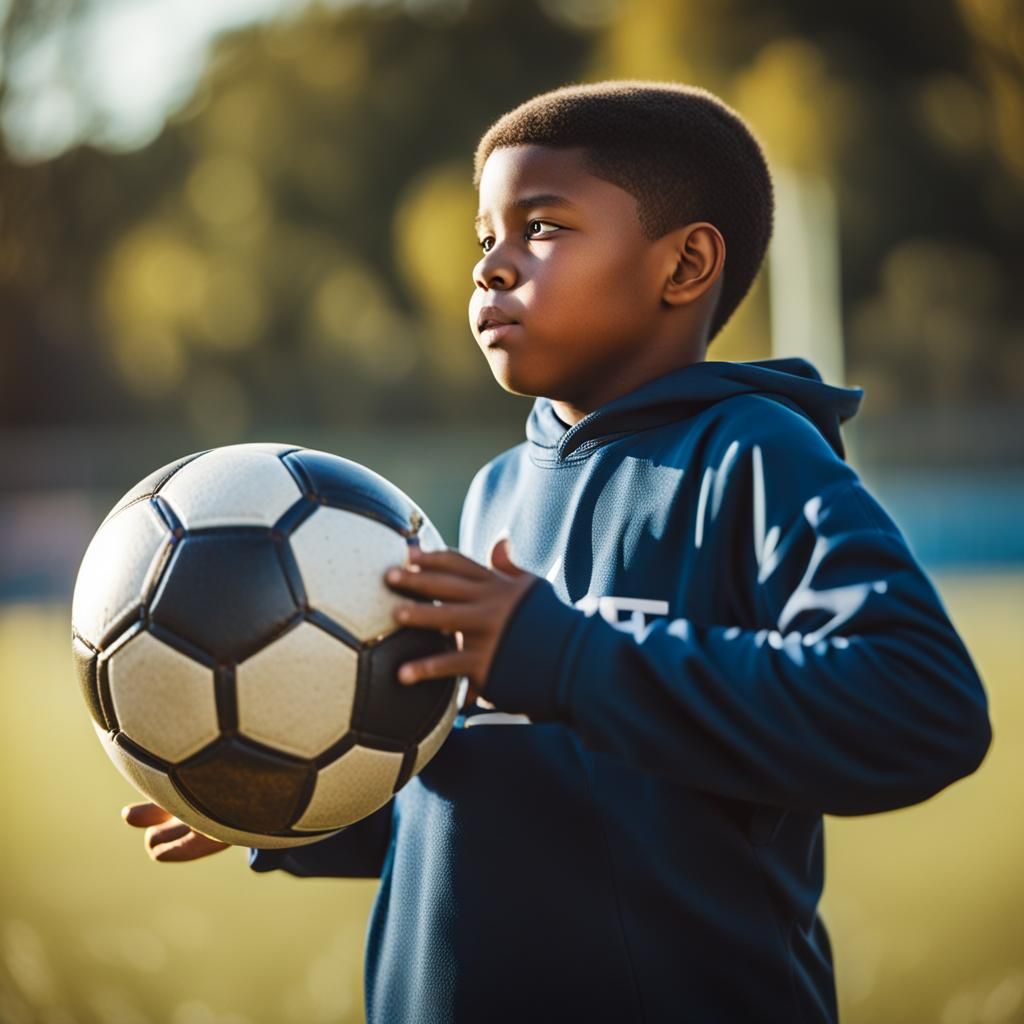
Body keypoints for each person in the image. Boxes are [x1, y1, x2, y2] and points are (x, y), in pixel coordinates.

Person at [124, 80, 992, 1023]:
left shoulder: (753, 456)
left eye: (540, 227)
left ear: (686, 263)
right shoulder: (497, 490)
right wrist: (285, 790)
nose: (491, 267)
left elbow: (922, 704)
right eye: (483, 237)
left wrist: (567, 655)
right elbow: (512, 792)